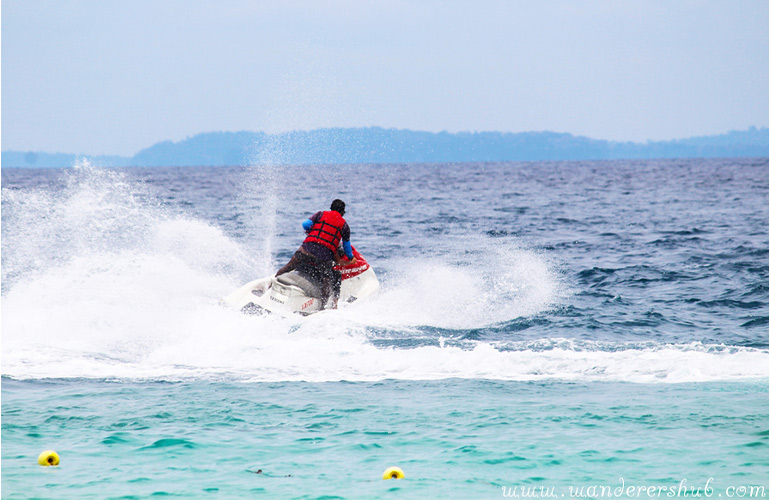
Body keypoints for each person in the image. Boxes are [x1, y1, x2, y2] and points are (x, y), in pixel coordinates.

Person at [276, 199, 356, 309]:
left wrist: (311, 229)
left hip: (306, 250)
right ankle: (322, 308)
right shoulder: (344, 226)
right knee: (326, 283)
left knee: (288, 267)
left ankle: (271, 285)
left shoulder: (321, 214)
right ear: (342, 212)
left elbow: (305, 224)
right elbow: (347, 246)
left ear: (331, 208)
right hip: (323, 257)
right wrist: (351, 258)